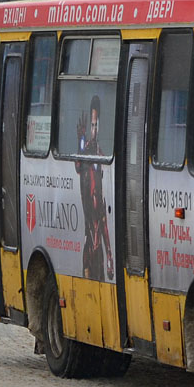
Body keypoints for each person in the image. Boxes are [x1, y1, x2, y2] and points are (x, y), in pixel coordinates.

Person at [75, 94, 114, 281]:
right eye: (92, 126)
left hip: (98, 245)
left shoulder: (101, 153)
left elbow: (104, 224)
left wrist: (109, 258)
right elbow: (78, 166)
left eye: (96, 125)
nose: (94, 129)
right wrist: (81, 140)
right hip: (88, 242)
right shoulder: (86, 150)